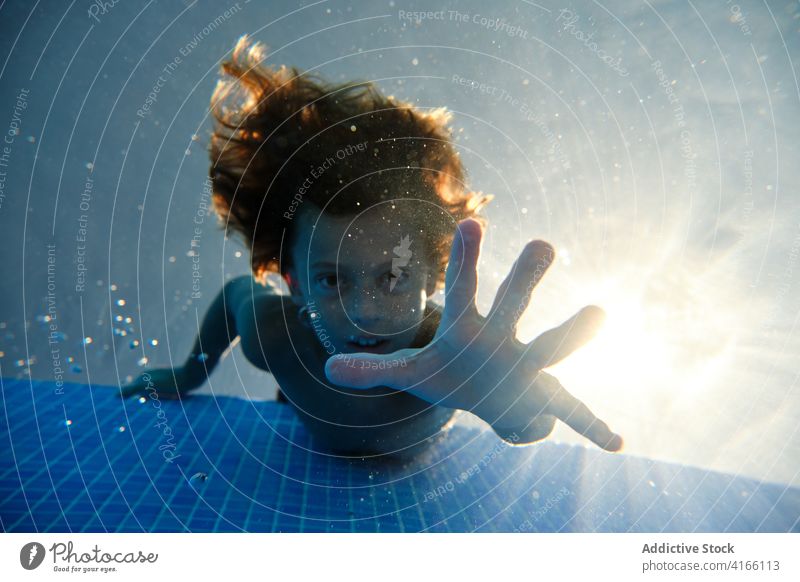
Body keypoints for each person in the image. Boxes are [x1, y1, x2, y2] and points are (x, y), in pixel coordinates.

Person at [121, 36, 622, 458]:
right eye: (332, 279)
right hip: (299, 417)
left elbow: (527, 424)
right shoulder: (277, 335)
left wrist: (512, 410)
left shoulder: (457, 357)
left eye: (393, 276)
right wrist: (192, 370)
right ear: (292, 283)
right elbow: (235, 298)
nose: (364, 313)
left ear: (432, 277)